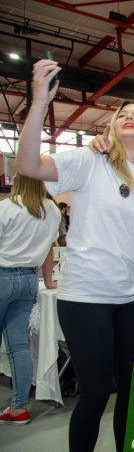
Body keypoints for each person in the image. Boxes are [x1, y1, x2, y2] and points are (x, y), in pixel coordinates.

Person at [16, 57, 134, 452]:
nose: (130, 117)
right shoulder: (89, 161)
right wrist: (38, 103)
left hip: (129, 296)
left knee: (131, 390)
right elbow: (27, 166)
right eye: (123, 114)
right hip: (85, 297)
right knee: (97, 391)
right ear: (112, 129)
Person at [0, 175, 60, 425]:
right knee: (19, 348)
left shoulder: (7, 207)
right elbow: (49, 248)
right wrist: (48, 281)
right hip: (28, 281)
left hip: (3, 275)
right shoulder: (53, 211)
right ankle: (18, 408)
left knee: (17, 348)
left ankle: (17, 408)